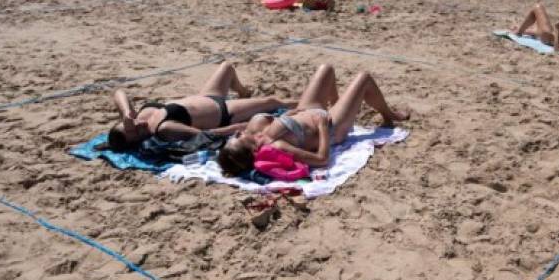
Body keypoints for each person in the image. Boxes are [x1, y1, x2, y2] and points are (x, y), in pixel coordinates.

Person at [218, 65, 409, 174]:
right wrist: (323, 128)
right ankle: (388, 115)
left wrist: (285, 116)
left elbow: (271, 123)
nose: (235, 133)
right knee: (364, 78)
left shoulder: (252, 130)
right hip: (331, 126)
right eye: (236, 139)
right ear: (251, 150)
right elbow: (322, 159)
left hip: (306, 112)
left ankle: (339, 104)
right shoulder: (275, 147)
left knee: (326, 69)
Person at [105, 62, 297, 151]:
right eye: (136, 132)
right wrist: (237, 128)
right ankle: (308, 104)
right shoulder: (163, 128)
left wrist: (127, 114)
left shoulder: (141, 116)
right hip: (224, 112)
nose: (138, 126)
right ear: (138, 141)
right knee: (272, 102)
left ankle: (244, 93)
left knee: (227, 67)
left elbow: (119, 93)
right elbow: (206, 134)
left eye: (131, 125)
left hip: (205, 97)